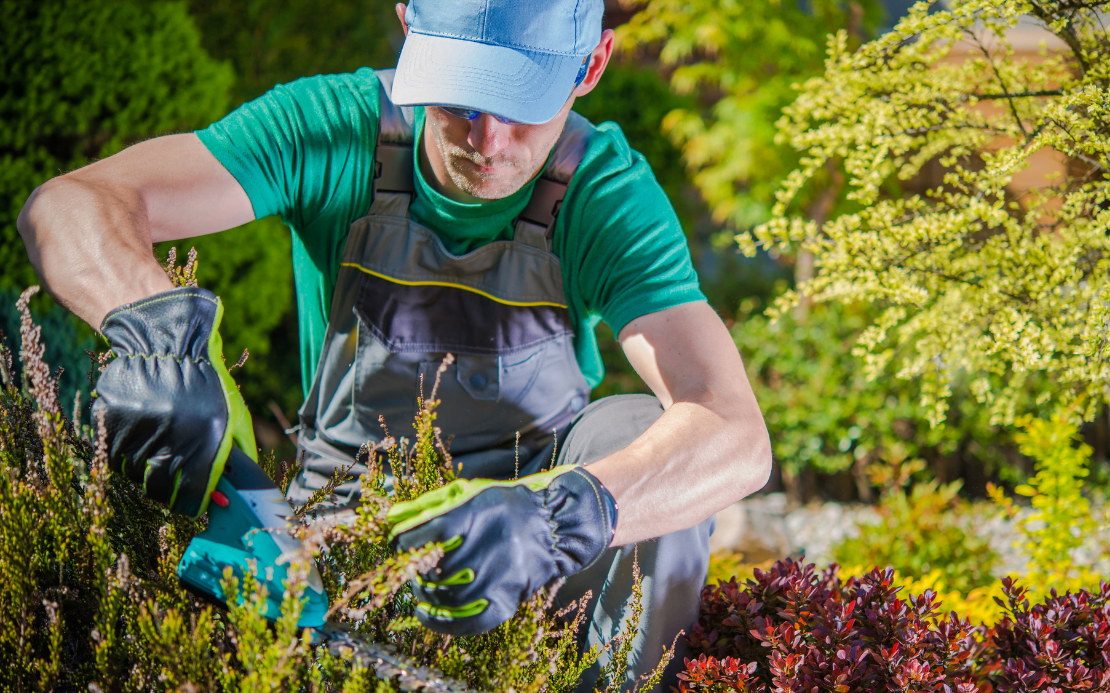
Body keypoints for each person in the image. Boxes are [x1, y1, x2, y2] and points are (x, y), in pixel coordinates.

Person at [17, 0, 771, 688]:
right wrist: (154, 328)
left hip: (531, 543)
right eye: (463, 95)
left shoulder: (604, 193)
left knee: (640, 428)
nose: (487, 141)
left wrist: (558, 516)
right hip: (345, 521)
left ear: (591, 66)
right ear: (410, 27)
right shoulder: (335, 128)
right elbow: (68, 204)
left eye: (522, 105)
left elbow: (734, 431)